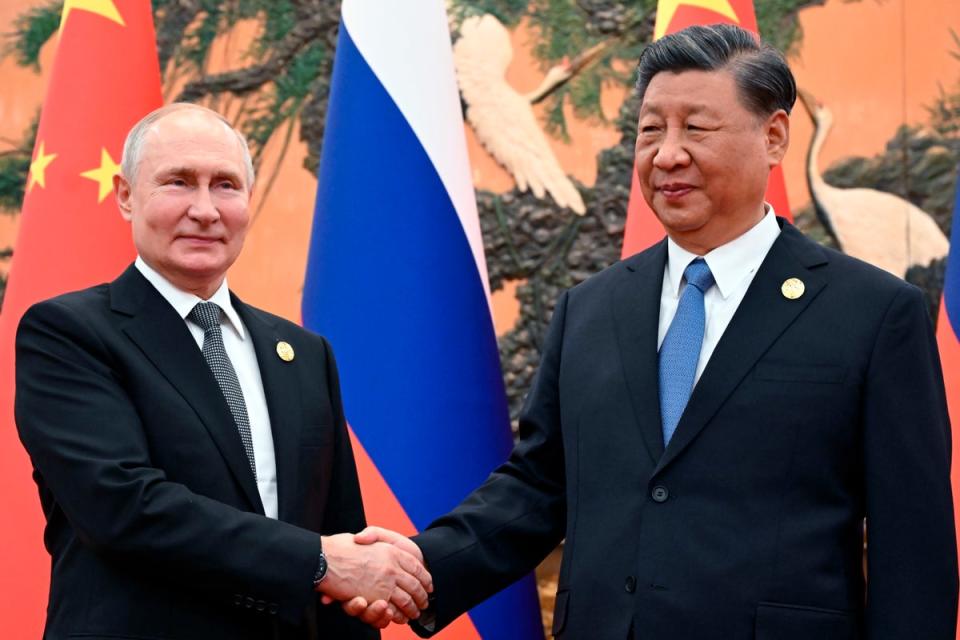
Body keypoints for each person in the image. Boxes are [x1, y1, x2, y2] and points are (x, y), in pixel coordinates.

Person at [347, 23, 959, 639]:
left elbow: (913, 544)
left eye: (696, 128)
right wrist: (420, 566)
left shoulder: (873, 313)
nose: (667, 153)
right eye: (650, 130)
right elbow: (537, 488)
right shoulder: (590, 310)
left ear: (773, 137)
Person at [14, 103, 431, 640]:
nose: (206, 210)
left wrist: (352, 575)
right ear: (125, 195)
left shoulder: (303, 353)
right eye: (179, 183)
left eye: (226, 185)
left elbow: (339, 534)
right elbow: (122, 506)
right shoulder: (69, 333)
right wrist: (321, 561)